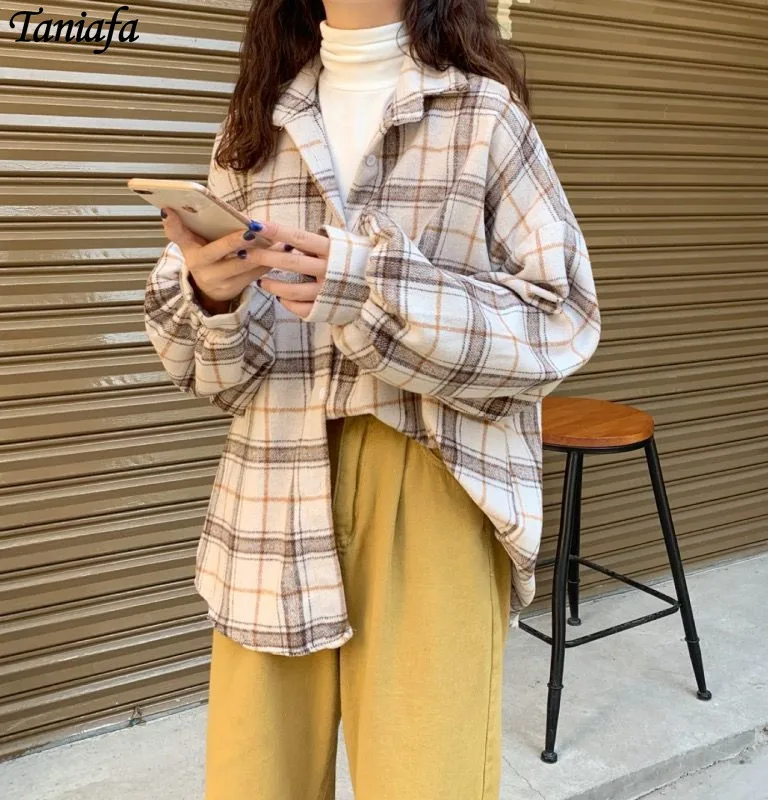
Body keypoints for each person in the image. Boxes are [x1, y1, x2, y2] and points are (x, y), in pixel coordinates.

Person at [144, 0, 601, 797]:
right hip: (270, 483)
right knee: (256, 781)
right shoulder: (254, 127)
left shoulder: (482, 117)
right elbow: (217, 381)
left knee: (426, 779)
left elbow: (560, 324)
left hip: (431, 481)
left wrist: (368, 287)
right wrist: (212, 298)